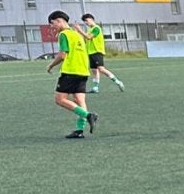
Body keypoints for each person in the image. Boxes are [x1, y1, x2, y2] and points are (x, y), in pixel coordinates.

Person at [45, 10, 96, 138]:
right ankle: (79, 130)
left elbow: (63, 55)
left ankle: (89, 116)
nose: (53, 27)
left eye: (53, 24)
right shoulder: (77, 34)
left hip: (70, 71)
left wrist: (51, 65)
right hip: (83, 71)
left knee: (60, 99)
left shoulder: (64, 35)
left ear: (59, 21)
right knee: (79, 100)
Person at [80, 14, 126, 89]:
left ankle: (118, 82)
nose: (86, 23)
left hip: (97, 51)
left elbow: (89, 37)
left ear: (91, 19)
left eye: (86, 21)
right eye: (84, 22)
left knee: (101, 69)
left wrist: (79, 30)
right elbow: (86, 39)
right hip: (90, 52)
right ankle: (95, 87)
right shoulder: (89, 30)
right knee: (94, 70)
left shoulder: (96, 28)